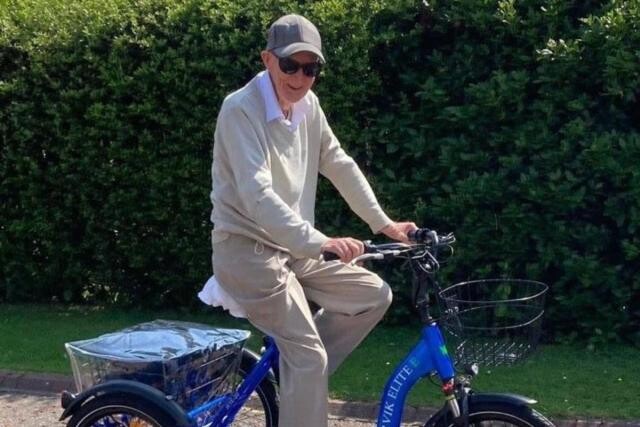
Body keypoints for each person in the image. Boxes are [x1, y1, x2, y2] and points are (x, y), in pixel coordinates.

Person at [209, 13, 417, 427]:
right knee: (308, 356)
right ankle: (303, 371)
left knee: (372, 295)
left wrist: (385, 224)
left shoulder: (308, 106)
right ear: (267, 59)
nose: (301, 78)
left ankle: (299, 375)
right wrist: (319, 241)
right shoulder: (240, 109)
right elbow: (257, 195)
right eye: (291, 65)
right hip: (248, 254)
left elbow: (338, 163)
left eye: (311, 69)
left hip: (296, 250)